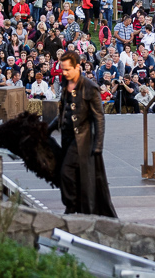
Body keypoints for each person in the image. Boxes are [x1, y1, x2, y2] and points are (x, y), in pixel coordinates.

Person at [47, 51, 116, 217]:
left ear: (78, 67)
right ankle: (76, 206)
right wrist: (47, 129)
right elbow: (63, 112)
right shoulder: (66, 85)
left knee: (67, 172)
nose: (64, 72)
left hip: (82, 140)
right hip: (68, 137)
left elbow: (99, 118)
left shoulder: (90, 87)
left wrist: (98, 144)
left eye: (68, 69)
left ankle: (72, 206)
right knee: (75, 175)